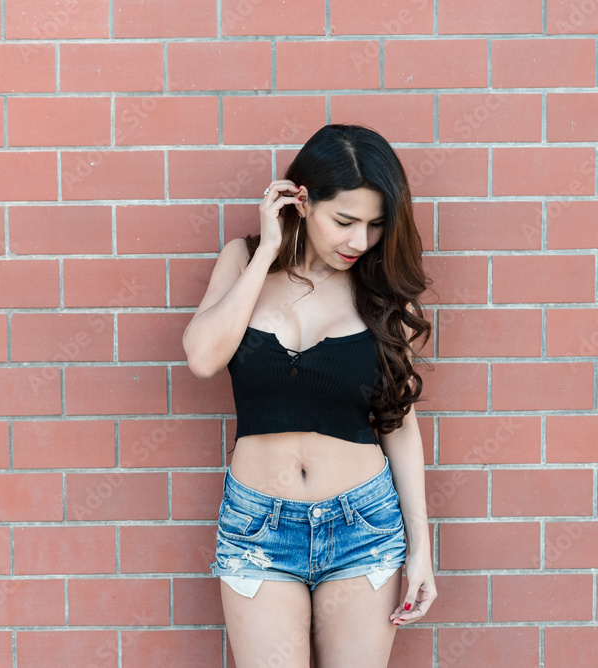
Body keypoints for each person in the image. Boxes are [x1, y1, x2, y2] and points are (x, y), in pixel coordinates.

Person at [183, 124, 437, 667]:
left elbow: (399, 423)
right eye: (344, 221)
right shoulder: (243, 259)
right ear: (302, 200)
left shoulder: (379, 286)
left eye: (374, 224)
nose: (359, 241)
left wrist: (422, 548)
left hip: (363, 524)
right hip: (258, 529)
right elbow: (203, 358)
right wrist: (268, 251)